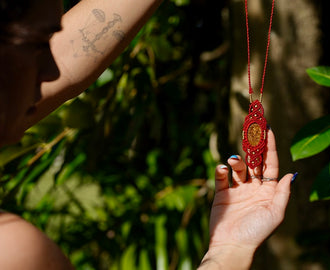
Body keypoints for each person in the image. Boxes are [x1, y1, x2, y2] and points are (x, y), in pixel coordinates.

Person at [0, 0, 295, 269]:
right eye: (37, 45)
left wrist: (230, 249)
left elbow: (68, 56)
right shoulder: (14, 249)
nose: (51, 70)